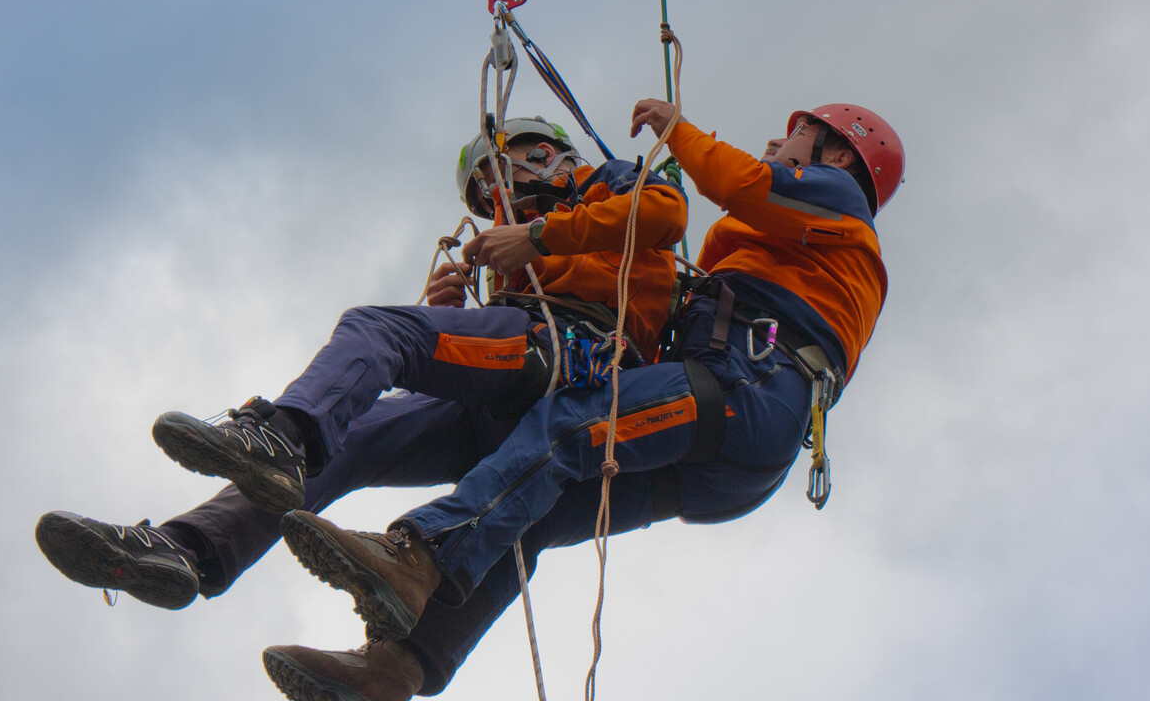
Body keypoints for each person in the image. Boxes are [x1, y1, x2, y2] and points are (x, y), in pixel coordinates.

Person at [259, 99, 905, 701]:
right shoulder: (796, 248)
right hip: (736, 440)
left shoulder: (838, 197)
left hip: (745, 391)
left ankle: (419, 553)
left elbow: (741, 184)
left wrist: (677, 130)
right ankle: (396, 667)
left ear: (838, 153)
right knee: (533, 511)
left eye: (795, 133)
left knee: (568, 427)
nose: (775, 140)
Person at [34, 116, 687, 611]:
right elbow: (514, 314)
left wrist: (535, 239)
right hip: (517, 389)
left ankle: (281, 436)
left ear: (543, 153)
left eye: (498, 178)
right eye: (486, 198)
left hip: (578, 361)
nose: (496, 201)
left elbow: (666, 212)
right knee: (344, 441)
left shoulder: (604, 183)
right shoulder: (530, 247)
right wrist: (457, 303)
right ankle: (190, 549)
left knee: (379, 330)